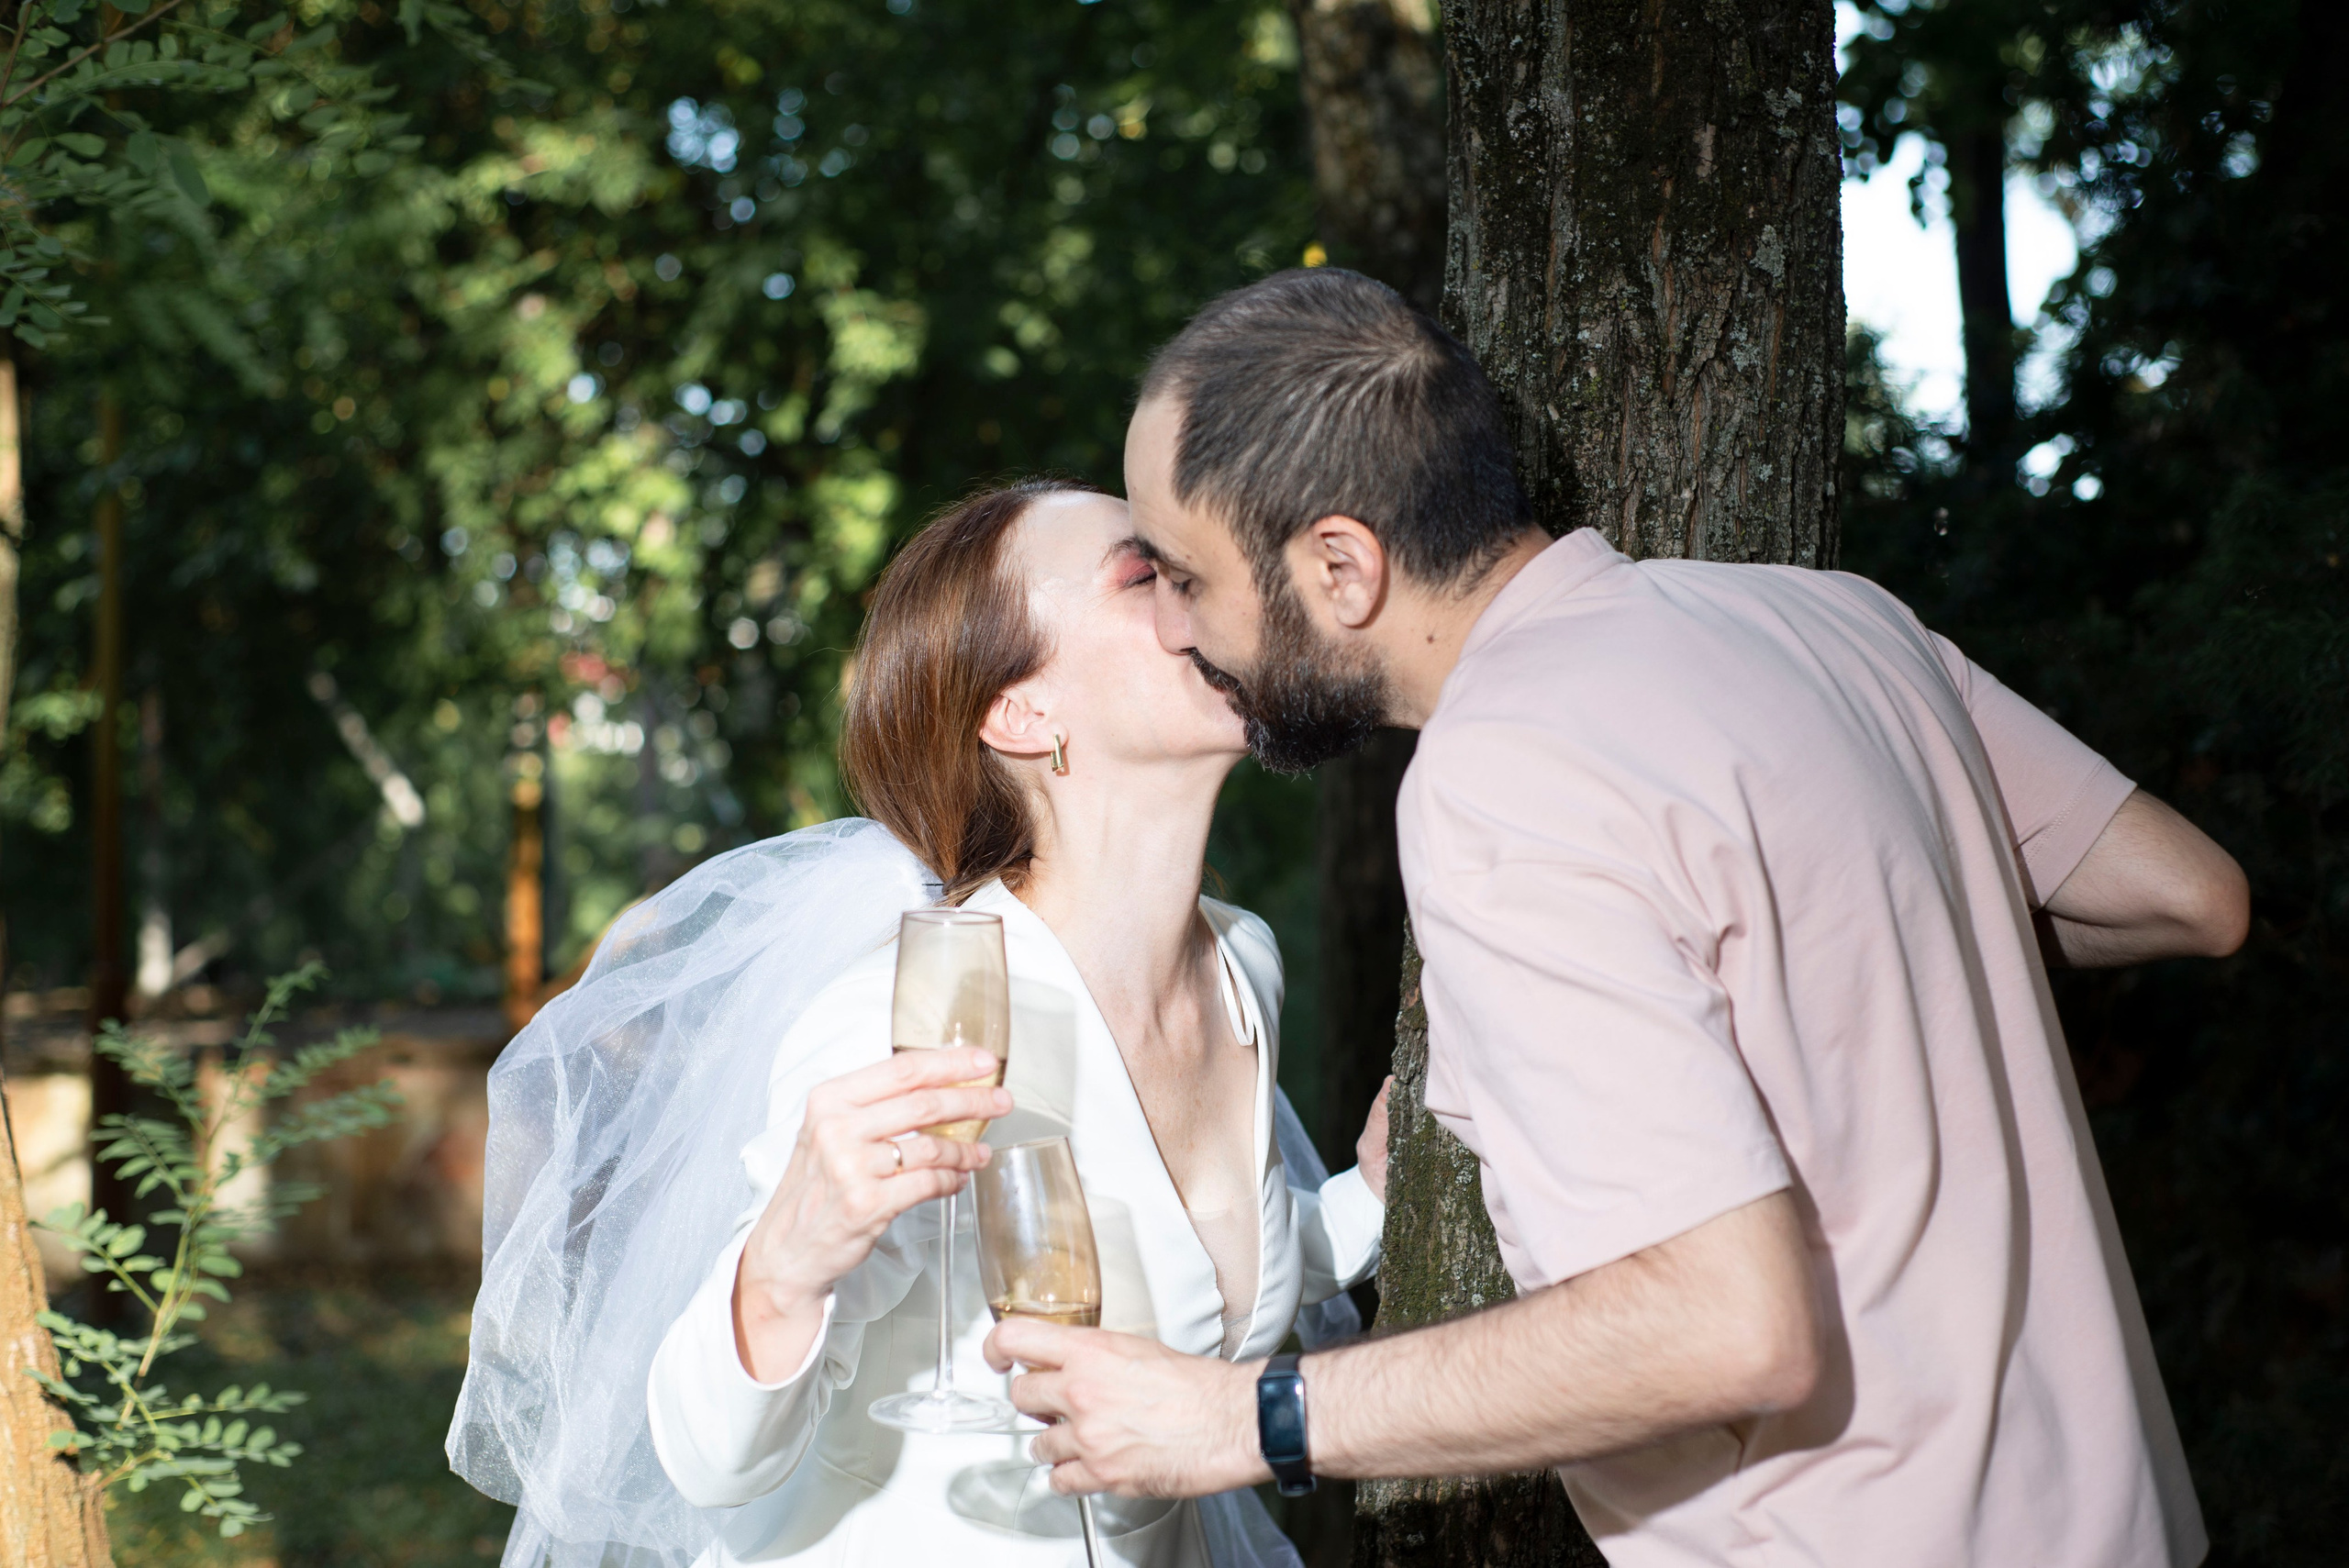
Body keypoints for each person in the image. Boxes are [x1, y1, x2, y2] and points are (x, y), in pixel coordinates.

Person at [986, 270, 2250, 1568]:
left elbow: (1728, 1326)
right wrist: (1854, 971)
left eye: (1188, 577)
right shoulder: (1830, 617)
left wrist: (1245, 1418)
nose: (1179, 624)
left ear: (1341, 567)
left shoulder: (1501, 777)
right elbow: (2186, 893)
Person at [448, 479, 1386, 1568]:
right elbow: (708, 1457)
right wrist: (784, 1263)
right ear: (1021, 714)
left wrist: (1370, 1193)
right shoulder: (906, 1014)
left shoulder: (1239, 961)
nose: (1207, 585)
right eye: (1145, 574)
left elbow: (1203, 1273)